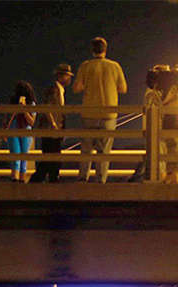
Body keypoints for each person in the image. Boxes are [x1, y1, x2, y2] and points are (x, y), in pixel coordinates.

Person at [73, 37, 127, 183]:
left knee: (86, 149)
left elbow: (76, 88)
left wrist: (89, 85)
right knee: (104, 151)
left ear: (92, 50)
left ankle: (82, 179)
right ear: (105, 49)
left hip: (89, 113)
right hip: (108, 114)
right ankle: (100, 180)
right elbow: (123, 88)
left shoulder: (86, 66)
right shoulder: (114, 66)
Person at [30, 64, 73, 184]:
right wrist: (53, 123)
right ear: (60, 76)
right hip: (51, 130)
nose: (69, 79)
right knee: (51, 158)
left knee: (50, 159)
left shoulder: (59, 90)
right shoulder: (54, 89)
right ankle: (48, 181)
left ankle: (44, 181)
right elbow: (47, 107)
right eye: (67, 76)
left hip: (54, 130)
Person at [3, 81, 36, 183]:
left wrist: (24, 109)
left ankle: (21, 180)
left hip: (25, 130)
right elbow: (8, 118)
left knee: (23, 157)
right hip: (14, 129)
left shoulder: (31, 104)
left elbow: (31, 122)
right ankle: (16, 179)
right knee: (16, 156)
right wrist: (17, 108)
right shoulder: (12, 103)